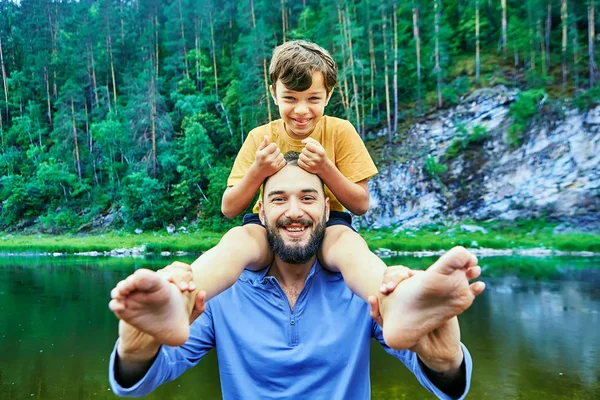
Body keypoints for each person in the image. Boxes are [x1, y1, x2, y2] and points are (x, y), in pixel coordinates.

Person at [126, 39, 429, 351]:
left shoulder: (340, 131)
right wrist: (257, 170)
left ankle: (394, 303)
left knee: (350, 248)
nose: (301, 110)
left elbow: (360, 203)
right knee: (237, 242)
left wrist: (327, 169)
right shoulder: (261, 136)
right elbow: (229, 207)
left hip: (329, 222)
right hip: (266, 223)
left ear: (329, 95)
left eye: (313, 98)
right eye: (290, 98)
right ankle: (181, 298)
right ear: (274, 93)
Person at [108, 152, 486, 399]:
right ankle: (180, 293)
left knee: (392, 297)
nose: (293, 212)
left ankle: (401, 295)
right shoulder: (222, 291)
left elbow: (440, 378)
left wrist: (445, 362)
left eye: (307, 198)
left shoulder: (358, 286)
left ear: (325, 210)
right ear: (260, 210)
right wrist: (136, 351)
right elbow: (150, 374)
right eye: (278, 199)